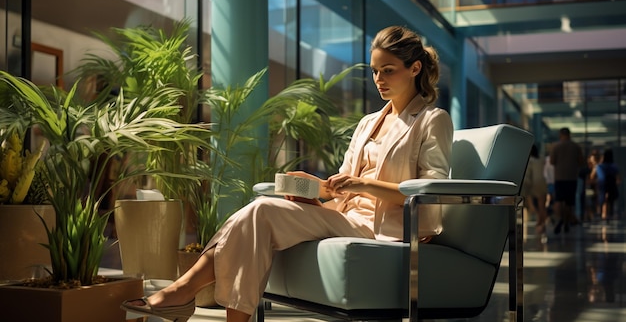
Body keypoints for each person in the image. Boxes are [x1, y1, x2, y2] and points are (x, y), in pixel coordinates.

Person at [120, 25, 454, 322]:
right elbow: (341, 186)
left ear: (415, 68)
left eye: (388, 71)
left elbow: (430, 188)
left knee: (261, 212)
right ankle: (190, 296)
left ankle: (181, 292)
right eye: (375, 71)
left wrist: (362, 183)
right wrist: (315, 189)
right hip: (346, 216)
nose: (379, 80)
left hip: (386, 228)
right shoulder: (369, 122)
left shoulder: (431, 120)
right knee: (261, 209)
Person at [550, 127, 585, 234]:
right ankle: (566, 221)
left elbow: (552, 161)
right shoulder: (576, 147)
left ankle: (560, 218)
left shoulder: (555, 147)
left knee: (559, 200)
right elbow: (581, 162)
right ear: (570, 135)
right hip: (572, 177)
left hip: (559, 177)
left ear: (560, 135)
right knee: (570, 202)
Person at [522, 144, 548, 234]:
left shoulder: (528, 160)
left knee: (532, 205)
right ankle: (541, 223)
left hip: (532, 183)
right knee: (542, 206)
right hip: (542, 182)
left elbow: (528, 174)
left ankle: (538, 221)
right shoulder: (541, 159)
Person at [590, 149, 620, 222]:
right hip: (611, 184)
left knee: (602, 198)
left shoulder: (600, 166)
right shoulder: (614, 166)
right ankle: (610, 213)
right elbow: (618, 177)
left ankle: (602, 213)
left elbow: (592, 176)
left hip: (602, 183)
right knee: (610, 199)